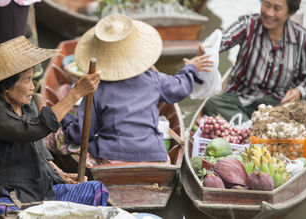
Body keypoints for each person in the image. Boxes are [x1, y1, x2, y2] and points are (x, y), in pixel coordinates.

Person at [0, 36, 108, 218]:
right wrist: (76, 93)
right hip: (6, 196)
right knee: (6, 215)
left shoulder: (28, 106)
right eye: (27, 80)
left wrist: (59, 173)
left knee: (95, 190)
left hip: (41, 193)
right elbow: (33, 130)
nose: (33, 87)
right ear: (6, 87)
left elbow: (39, 147)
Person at [61, 14, 213, 163]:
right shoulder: (154, 79)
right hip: (154, 154)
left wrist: (66, 120)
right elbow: (181, 87)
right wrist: (190, 69)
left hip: (112, 154)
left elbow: (81, 133)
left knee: (76, 145)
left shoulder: (96, 88)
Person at [201, 0, 306, 122]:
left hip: (278, 106)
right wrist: (207, 49)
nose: (269, 13)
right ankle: (254, 129)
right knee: (212, 103)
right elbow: (221, 40)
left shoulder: (303, 40)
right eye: (266, 5)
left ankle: (247, 128)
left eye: (277, 8)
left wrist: (299, 91)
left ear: (290, 12)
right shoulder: (248, 25)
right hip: (240, 100)